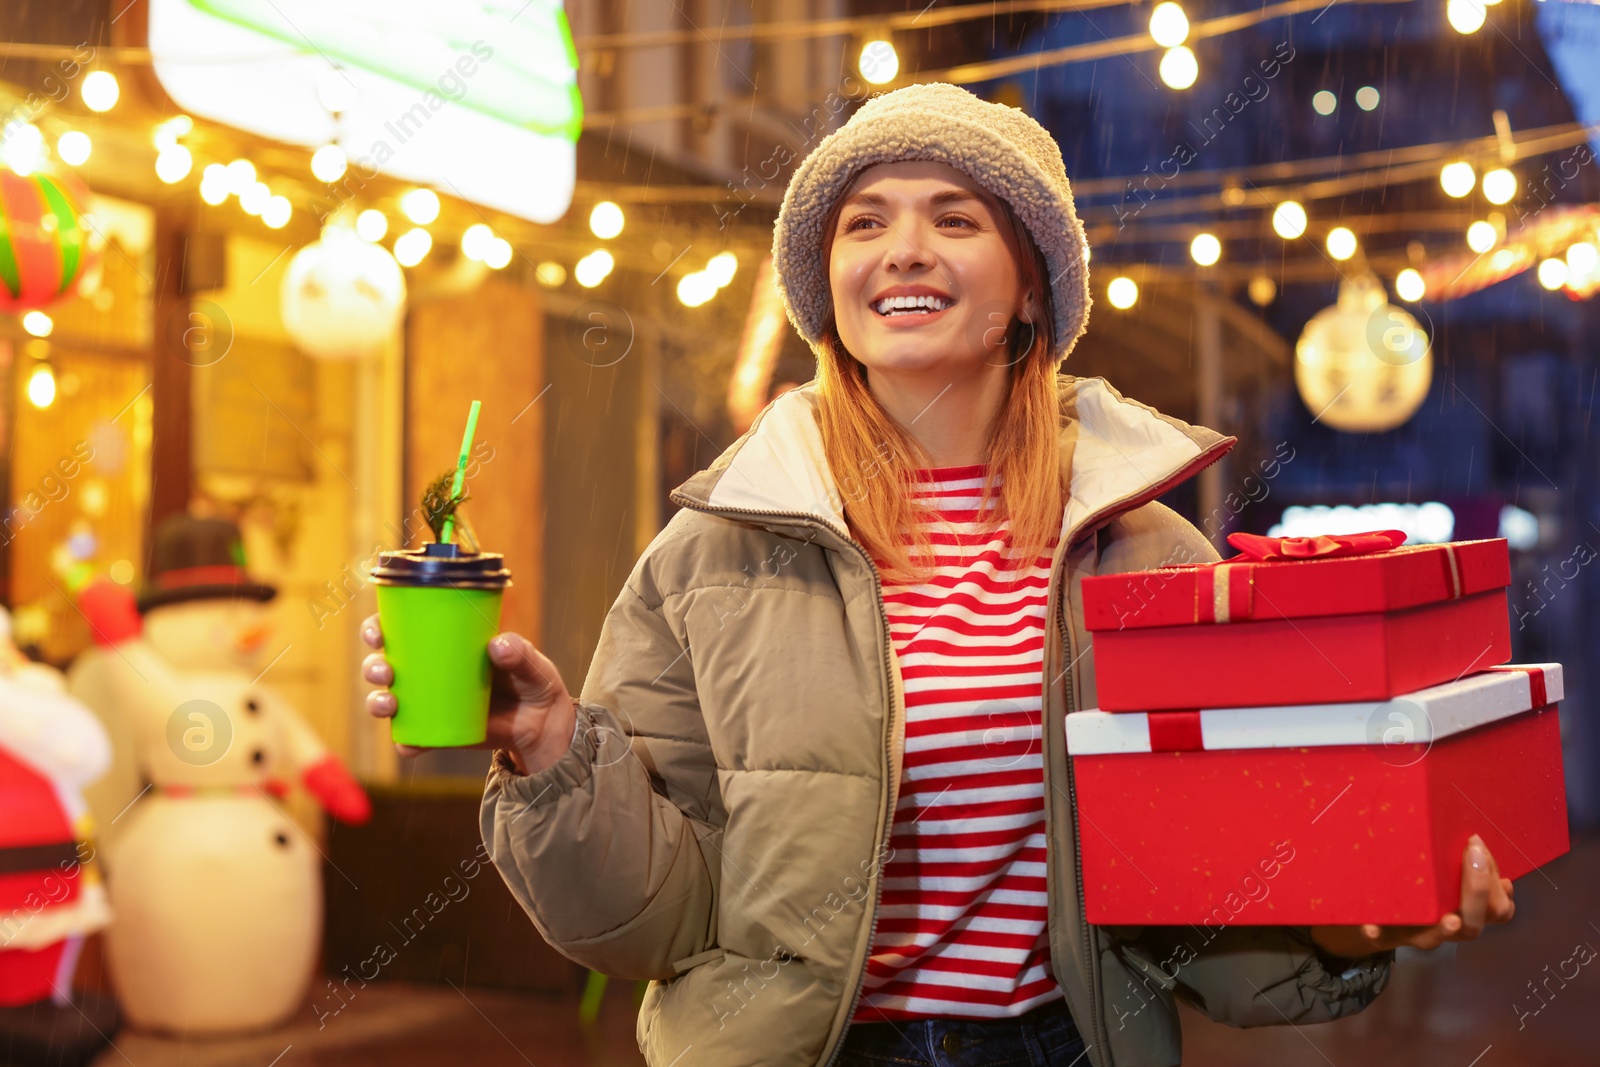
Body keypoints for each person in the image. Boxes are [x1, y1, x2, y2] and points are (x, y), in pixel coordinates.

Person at [359, 82, 1516, 1067]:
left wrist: (1361, 923)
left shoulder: (1150, 552)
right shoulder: (708, 552)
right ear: (830, 287)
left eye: (954, 217)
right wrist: (555, 746)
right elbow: (656, 924)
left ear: (1028, 288)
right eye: (864, 222)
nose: (903, 248)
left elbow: (1201, 910)